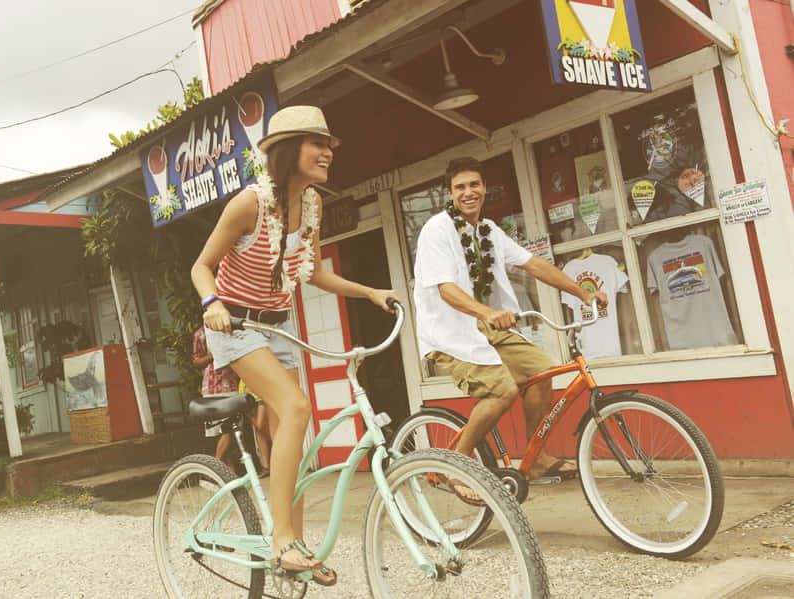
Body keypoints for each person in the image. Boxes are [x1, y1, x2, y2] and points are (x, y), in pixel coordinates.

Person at [191, 105, 397, 586]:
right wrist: (211, 304)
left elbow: (316, 271)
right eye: (316, 144)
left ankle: (293, 547)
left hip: (278, 326)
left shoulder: (312, 205)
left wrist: (370, 292)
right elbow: (202, 265)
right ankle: (281, 539)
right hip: (235, 326)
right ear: (287, 153)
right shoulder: (249, 204)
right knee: (299, 405)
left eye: (328, 145)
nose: (327, 152)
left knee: (295, 437)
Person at [413, 156, 608, 501]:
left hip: (489, 326)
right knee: (503, 391)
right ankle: (456, 464)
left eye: (475, 185)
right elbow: (445, 288)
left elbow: (534, 264)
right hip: (450, 331)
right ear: (450, 193)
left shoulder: (489, 232)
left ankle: (535, 458)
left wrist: (583, 293)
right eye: (460, 187)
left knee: (542, 371)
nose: (468, 192)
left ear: (485, 188)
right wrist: (487, 312)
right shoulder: (437, 230)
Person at [191, 325, 240, 469]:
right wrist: (213, 355)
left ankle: (220, 469)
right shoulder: (200, 333)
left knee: (230, 430)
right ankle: (220, 469)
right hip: (212, 388)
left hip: (231, 385)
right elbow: (196, 361)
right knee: (222, 433)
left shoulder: (230, 330)